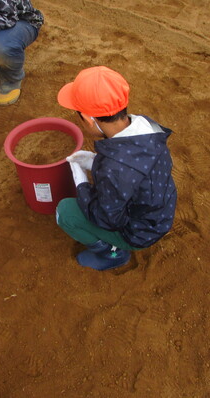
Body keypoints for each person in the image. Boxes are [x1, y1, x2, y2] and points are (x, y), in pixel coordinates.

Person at [55, 66, 177, 270]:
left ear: (88, 119)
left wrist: (82, 184)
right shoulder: (146, 126)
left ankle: (113, 254)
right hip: (159, 215)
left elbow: (107, 219)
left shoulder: (115, 169)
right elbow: (133, 171)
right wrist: (96, 162)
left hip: (138, 233)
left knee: (65, 212)